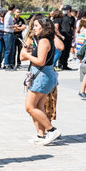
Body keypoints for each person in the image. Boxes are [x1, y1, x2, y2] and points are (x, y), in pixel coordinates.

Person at [20, 15, 61, 145]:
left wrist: (27, 54)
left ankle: (52, 130)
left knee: (29, 107)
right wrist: (29, 52)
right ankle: (41, 135)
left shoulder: (44, 41)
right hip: (44, 75)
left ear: (44, 27)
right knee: (39, 106)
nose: (34, 28)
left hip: (42, 76)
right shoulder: (45, 40)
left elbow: (40, 61)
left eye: (37, 26)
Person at [58, 5, 75, 70]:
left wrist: (73, 36)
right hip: (63, 36)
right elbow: (56, 15)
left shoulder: (72, 18)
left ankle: (65, 65)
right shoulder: (62, 17)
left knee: (67, 51)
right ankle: (60, 64)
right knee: (62, 51)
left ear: (69, 10)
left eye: (65, 9)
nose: (64, 11)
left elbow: (73, 27)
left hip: (69, 36)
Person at [3, 5, 16, 70]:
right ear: (13, 9)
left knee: (12, 49)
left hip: (11, 33)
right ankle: (6, 64)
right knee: (8, 49)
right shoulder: (8, 16)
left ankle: (10, 63)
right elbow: (7, 26)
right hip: (8, 33)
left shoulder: (10, 15)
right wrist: (14, 26)